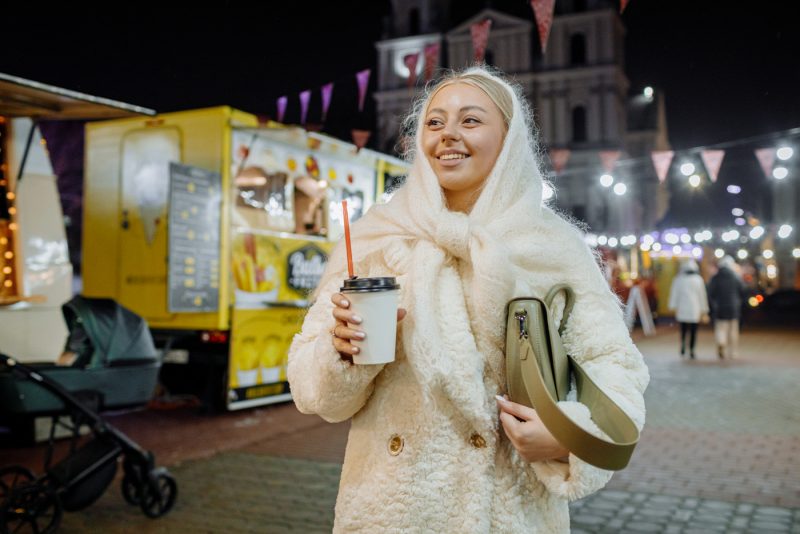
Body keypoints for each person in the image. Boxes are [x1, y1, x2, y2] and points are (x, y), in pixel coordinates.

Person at [287, 66, 649, 533]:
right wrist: (340, 351)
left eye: (470, 121)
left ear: (509, 140)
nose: (448, 135)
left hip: (508, 510)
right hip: (389, 511)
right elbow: (314, 391)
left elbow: (613, 365)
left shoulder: (553, 246)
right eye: (435, 123)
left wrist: (566, 436)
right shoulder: (380, 238)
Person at [668, 259, 709, 359]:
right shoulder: (698, 279)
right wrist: (704, 309)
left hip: (682, 308)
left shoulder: (678, 279)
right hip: (695, 308)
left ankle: (682, 345)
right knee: (693, 331)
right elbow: (702, 295)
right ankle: (691, 349)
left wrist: (672, 306)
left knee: (683, 329)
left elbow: (674, 294)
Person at [707, 255, 745, 359]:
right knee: (733, 331)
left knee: (721, 328)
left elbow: (710, 293)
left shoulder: (715, 278)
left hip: (720, 308)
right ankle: (733, 352)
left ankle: (721, 342)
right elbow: (742, 290)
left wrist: (713, 304)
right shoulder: (736, 277)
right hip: (733, 308)